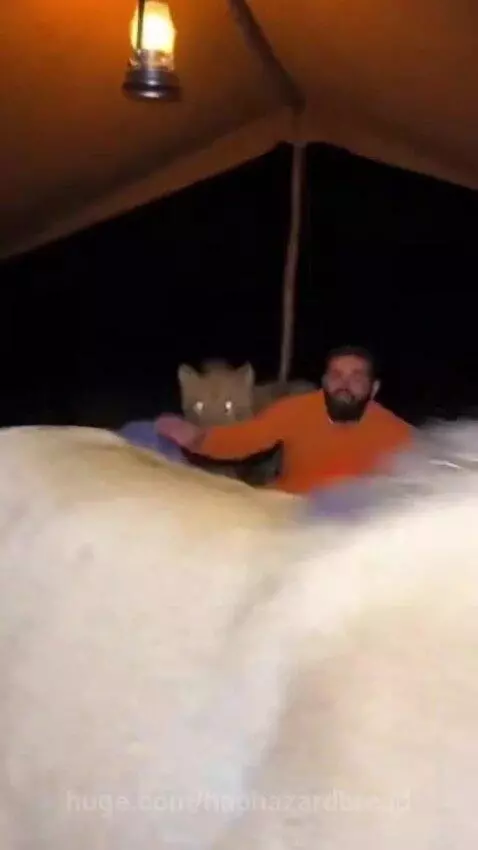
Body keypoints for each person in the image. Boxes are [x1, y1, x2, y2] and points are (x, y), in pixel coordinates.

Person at [196, 345, 414, 494]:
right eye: (336, 375)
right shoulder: (298, 409)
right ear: (325, 381)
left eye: (356, 377)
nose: (344, 385)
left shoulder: (395, 433)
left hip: (353, 528)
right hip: (286, 510)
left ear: (373, 388)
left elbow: (425, 471)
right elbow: (243, 439)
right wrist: (194, 438)